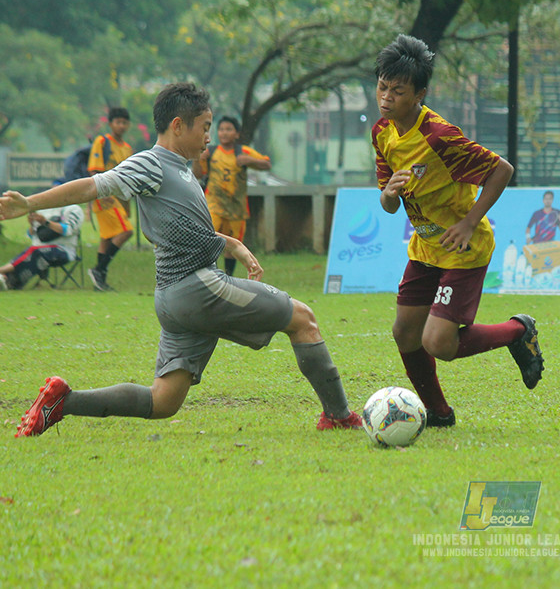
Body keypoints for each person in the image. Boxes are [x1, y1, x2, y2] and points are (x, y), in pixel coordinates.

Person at [2, 82, 362, 437]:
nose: (209, 137)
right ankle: (338, 416)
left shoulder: (182, 168)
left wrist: (232, 245)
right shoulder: (152, 163)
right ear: (177, 125)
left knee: (163, 402)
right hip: (197, 287)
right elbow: (93, 185)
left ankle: (63, 402)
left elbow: (187, 231)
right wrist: (30, 204)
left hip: (174, 296)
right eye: (204, 127)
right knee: (303, 319)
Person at [372, 34, 545, 429]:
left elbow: (501, 170)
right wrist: (388, 193)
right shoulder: (382, 132)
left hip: (463, 249)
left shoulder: (439, 137)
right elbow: (388, 203)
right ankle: (439, 412)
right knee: (405, 333)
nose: (386, 97)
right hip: (425, 248)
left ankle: (517, 330)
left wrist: (469, 222)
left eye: (397, 91)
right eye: (382, 87)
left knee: (439, 343)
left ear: (419, 94)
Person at [194, 116, 271, 276]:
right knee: (209, 238)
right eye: (221, 129)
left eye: (229, 129)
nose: (224, 133)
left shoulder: (242, 152)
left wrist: (248, 160)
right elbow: (198, 174)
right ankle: (210, 274)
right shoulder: (211, 152)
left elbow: (266, 164)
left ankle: (228, 276)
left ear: (237, 134)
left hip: (236, 207)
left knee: (233, 244)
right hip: (214, 204)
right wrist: (197, 159)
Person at [87, 107, 135, 292]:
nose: (121, 126)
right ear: (111, 123)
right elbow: (94, 169)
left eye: (124, 122)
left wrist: (127, 205)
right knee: (126, 232)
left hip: (119, 197)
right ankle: (98, 269)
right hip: (104, 195)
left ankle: (100, 281)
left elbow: (128, 178)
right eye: (118, 122)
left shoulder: (127, 148)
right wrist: (102, 193)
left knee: (106, 238)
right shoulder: (102, 142)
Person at [0, 202, 84, 291]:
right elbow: (32, 236)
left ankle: (4, 275)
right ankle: (7, 280)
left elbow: (69, 229)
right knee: (32, 252)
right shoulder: (43, 209)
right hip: (38, 249)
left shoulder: (73, 209)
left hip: (63, 250)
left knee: (34, 251)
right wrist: (32, 224)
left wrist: (45, 222)